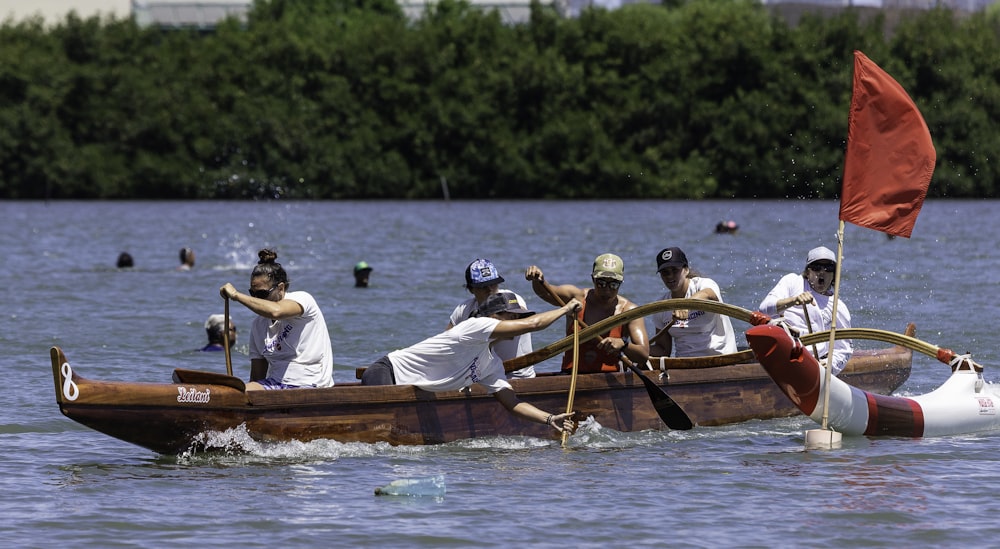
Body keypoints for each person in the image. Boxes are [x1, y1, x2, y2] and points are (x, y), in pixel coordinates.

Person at [360, 292, 580, 435]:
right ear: (493, 316)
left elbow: (512, 403)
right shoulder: (475, 326)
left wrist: (550, 418)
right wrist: (565, 309)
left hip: (409, 390)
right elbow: (533, 324)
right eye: (512, 316)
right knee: (375, 439)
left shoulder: (492, 364)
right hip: (387, 373)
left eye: (519, 317)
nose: (517, 321)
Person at [219, 249, 334, 389]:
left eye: (261, 294)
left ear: (280, 288)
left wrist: (236, 295)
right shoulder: (258, 325)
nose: (256, 300)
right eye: (252, 294)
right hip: (274, 384)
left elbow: (276, 311)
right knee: (239, 391)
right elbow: (256, 377)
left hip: (311, 384)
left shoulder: (303, 299)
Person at [524, 253, 649, 374]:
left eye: (613, 284)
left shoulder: (629, 310)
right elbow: (545, 292)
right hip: (571, 375)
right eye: (601, 283)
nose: (606, 289)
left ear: (621, 283)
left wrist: (623, 344)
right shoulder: (576, 297)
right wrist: (537, 279)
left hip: (610, 380)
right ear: (592, 279)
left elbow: (643, 354)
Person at [758, 245, 853, 375]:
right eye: (816, 267)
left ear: (834, 275)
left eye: (828, 268)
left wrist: (830, 365)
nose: (822, 272)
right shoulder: (792, 282)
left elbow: (844, 349)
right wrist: (794, 301)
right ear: (808, 272)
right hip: (781, 350)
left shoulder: (838, 307)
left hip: (812, 363)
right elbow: (763, 310)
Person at [447, 259, 536, 379]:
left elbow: (517, 327)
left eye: (493, 283)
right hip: (482, 376)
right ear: (471, 289)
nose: (489, 289)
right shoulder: (464, 310)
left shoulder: (510, 300)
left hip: (516, 376)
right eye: (483, 286)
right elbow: (446, 344)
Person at [649, 247, 738, 358]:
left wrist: (686, 305)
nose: (670, 276)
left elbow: (709, 294)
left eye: (675, 270)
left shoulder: (703, 285)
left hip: (721, 358)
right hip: (685, 364)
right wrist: (631, 348)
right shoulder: (661, 306)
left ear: (686, 270)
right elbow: (663, 350)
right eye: (665, 273)